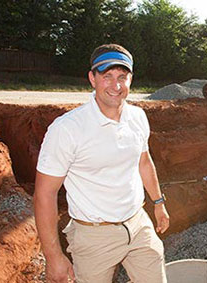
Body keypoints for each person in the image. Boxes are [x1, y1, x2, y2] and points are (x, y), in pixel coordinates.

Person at [34, 43, 169, 283]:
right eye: (107, 76)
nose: (116, 86)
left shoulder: (138, 117)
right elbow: (45, 193)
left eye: (122, 77)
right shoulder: (68, 129)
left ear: (131, 80)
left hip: (138, 225)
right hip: (93, 236)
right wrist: (53, 256)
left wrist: (158, 202)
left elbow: (144, 162)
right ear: (92, 78)